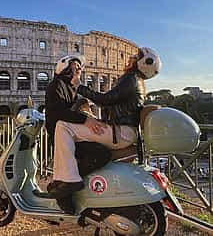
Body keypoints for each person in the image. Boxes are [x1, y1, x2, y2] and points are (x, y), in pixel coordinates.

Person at [52, 47, 161, 207]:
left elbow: (105, 99)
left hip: (120, 132)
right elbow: (108, 101)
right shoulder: (136, 80)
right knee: (72, 128)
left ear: (142, 63)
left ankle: (68, 182)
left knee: (62, 126)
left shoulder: (130, 78)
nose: (130, 58)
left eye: (135, 57)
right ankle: (71, 180)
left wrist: (79, 86)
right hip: (123, 131)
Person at [45, 53, 107, 212]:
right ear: (65, 68)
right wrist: (87, 121)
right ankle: (63, 190)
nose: (79, 68)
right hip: (62, 137)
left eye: (80, 66)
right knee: (101, 154)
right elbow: (60, 113)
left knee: (102, 153)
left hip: (71, 135)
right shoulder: (56, 85)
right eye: (75, 65)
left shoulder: (70, 87)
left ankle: (62, 185)